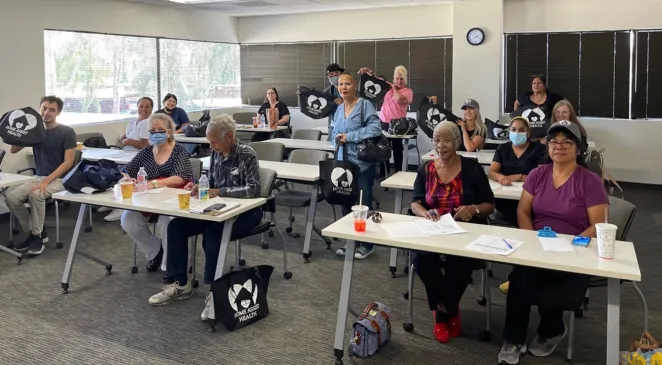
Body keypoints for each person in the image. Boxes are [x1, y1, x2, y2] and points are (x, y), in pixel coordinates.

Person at [497, 121, 608, 365]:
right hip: (538, 244)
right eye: (554, 141)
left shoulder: (589, 181)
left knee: (553, 283)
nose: (559, 146)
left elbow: (597, 225)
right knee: (519, 280)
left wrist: (570, 247)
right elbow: (523, 211)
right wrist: (533, 241)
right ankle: (513, 339)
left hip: (574, 249)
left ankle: (552, 330)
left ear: (578, 149)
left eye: (567, 142)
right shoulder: (538, 174)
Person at [148, 114, 263, 306]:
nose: (211, 147)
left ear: (229, 136)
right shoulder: (217, 153)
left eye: (214, 142)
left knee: (213, 232)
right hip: (215, 209)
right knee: (176, 227)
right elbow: (212, 181)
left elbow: (254, 189)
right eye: (209, 142)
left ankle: (213, 288)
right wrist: (199, 187)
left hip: (246, 213)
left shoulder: (247, 154)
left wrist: (220, 191)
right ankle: (181, 283)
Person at [411, 120, 495, 344]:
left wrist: (473, 209)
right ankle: (446, 307)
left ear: (457, 141)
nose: (441, 145)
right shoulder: (426, 168)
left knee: (460, 264)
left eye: (447, 140)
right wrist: (423, 213)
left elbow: (490, 204)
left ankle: (444, 312)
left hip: (464, 231)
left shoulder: (472, 168)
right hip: (433, 230)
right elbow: (415, 202)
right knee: (422, 261)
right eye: (437, 140)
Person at [120, 113, 193, 280]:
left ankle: (169, 266)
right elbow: (127, 171)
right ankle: (154, 251)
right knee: (128, 219)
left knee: (166, 222)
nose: (156, 133)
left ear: (169, 132)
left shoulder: (178, 151)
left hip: (172, 201)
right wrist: (128, 178)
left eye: (160, 130)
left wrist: (152, 184)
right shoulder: (146, 151)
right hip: (148, 200)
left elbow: (180, 178)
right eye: (152, 131)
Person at [6, 96, 76, 256]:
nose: (47, 112)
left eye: (52, 110)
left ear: (58, 112)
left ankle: (36, 237)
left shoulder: (67, 132)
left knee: (36, 195)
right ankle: (36, 233)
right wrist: (20, 133)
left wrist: (46, 180)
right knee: (11, 198)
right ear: (39, 109)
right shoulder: (35, 132)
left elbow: (68, 163)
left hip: (61, 180)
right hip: (38, 177)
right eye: (44, 108)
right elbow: (13, 150)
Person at [330, 73, 382, 260]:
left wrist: (349, 137)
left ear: (355, 85)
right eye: (340, 84)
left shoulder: (364, 105)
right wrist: (335, 138)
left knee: (362, 205)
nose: (343, 87)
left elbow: (375, 129)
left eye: (347, 84)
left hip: (362, 164)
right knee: (346, 204)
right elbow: (333, 132)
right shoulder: (338, 108)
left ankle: (367, 244)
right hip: (343, 164)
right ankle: (351, 241)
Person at [100, 96, 154, 222]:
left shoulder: (148, 123)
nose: (144, 109)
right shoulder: (133, 121)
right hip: (126, 153)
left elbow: (145, 145)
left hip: (140, 156)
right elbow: (128, 135)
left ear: (152, 109)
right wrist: (124, 137)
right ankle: (111, 201)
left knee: (123, 176)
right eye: (141, 106)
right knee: (109, 169)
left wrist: (128, 140)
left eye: (147, 107)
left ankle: (120, 207)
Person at [487, 116, 547, 224]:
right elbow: (491, 172)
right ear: (509, 131)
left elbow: (541, 176)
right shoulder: (503, 148)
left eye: (521, 130)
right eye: (514, 129)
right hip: (505, 199)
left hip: (531, 198)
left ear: (528, 133)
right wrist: (501, 177)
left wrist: (519, 177)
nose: (517, 132)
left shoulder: (539, 149)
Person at [358, 65, 414, 175]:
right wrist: (368, 72)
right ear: (394, 78)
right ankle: (384, 172)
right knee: (383, 148)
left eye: (401, 79)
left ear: (405, 80)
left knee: (397, 150)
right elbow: (377, 80)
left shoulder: (408, 91)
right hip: (383, 122)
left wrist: (394, 88)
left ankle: (399, 172)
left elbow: (399, 98)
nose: (399, 81)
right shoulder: (388, 87)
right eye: (397, 78)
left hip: (398, 125)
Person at [513, 75, 564, 142]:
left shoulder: (552, 97)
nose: (536, 85)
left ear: (544, 85)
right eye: (534, 83)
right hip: (528, 136)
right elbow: (516, 103)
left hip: (547, 135)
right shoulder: (525, 97)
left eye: (539, 83)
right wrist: (518, 118)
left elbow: (564, 104)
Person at [324, 63, 345, 141]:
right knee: (331, 146)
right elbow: (319, 100)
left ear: (340, 73)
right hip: (333, 125)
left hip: (348, 125)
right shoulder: (328, 91)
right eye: (330, 75)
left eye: (334, 74)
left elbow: (359, 104)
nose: (332, 76)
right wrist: (303, 95)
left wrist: (344, 103)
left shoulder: (351, 88)